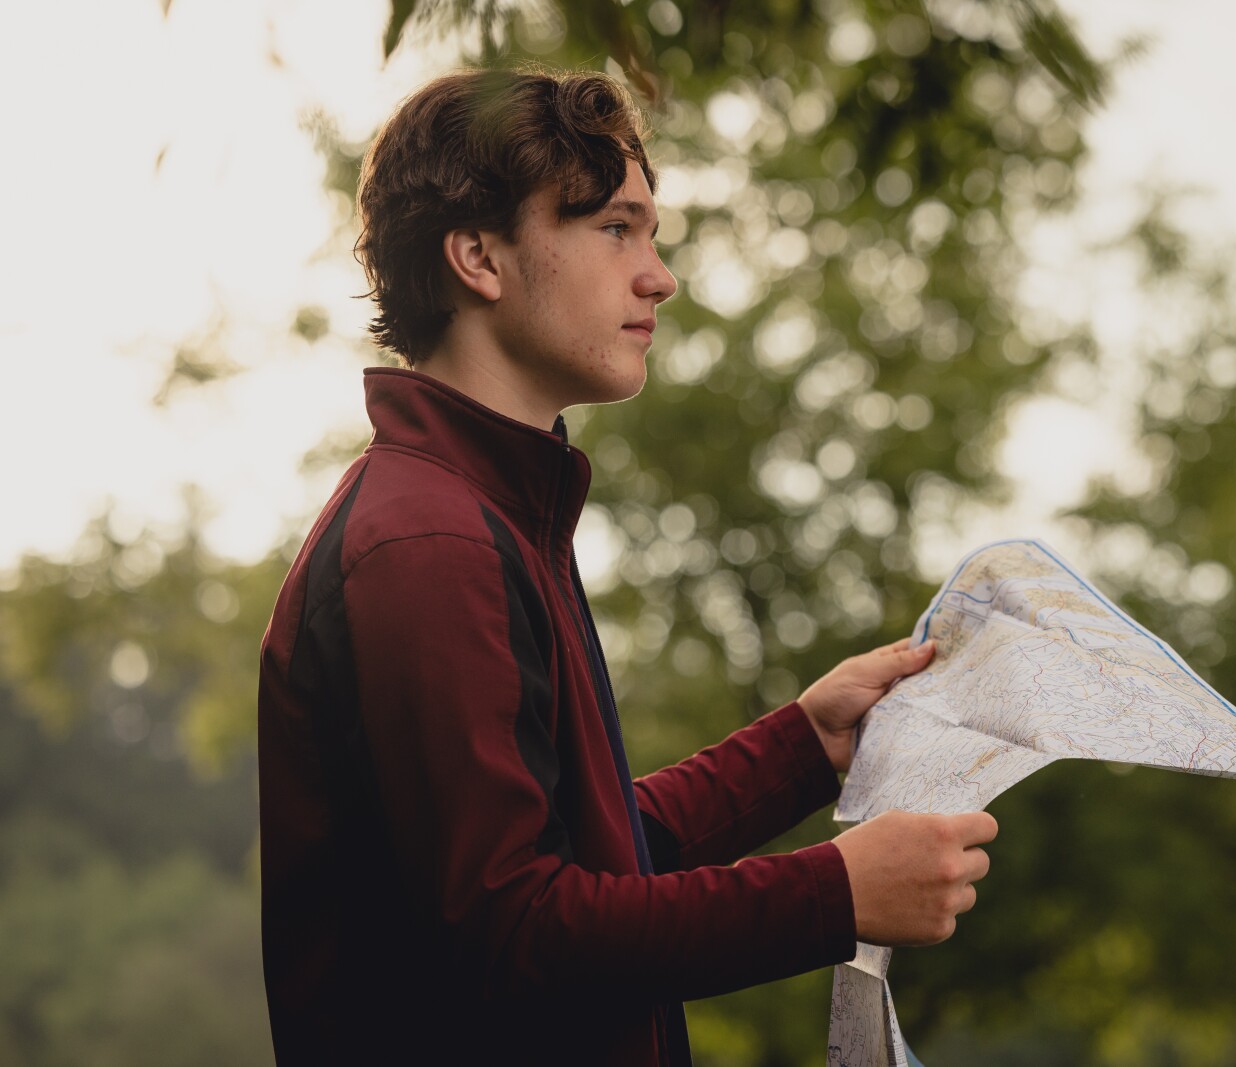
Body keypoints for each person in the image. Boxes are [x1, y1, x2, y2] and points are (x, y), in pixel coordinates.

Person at [256, 66, 997, 1066]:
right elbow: (518, 928)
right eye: (616, 228)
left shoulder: (492, 513)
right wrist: (832, 891)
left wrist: (803, 746)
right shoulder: (428, 546)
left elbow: (578, 850)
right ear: (478, 257)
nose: (659, 277)